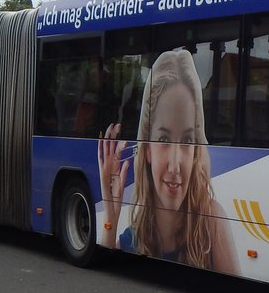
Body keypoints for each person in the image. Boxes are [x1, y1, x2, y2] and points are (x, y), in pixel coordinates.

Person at [98, 49, 239, 274]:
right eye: (163, 139)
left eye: (186, 141)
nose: (175, 167)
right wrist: (110, 219)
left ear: (196, 152)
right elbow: (102, 289)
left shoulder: (211, 222)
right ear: (147, 150)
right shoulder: (130, 240)